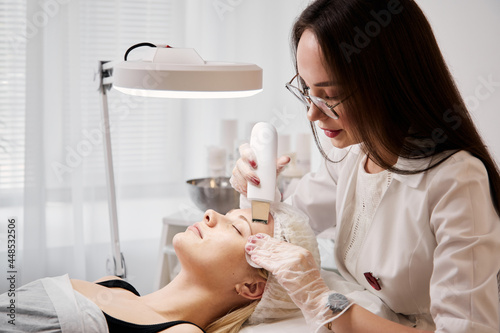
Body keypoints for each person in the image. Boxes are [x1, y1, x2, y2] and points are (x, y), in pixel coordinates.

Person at [232, 0, 500, 332]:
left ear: (389, 83)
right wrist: (255, 191)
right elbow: (286, 227)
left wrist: (326, 304)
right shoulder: (352, 157)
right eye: (306, 90)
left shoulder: (457, 181)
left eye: (329, 95)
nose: (312, 114)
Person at [0, 203, 320, 333]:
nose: (210, 213)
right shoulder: (114, 284)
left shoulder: (181, 332)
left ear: (251, 287)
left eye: (237, 229)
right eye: (226, 212)